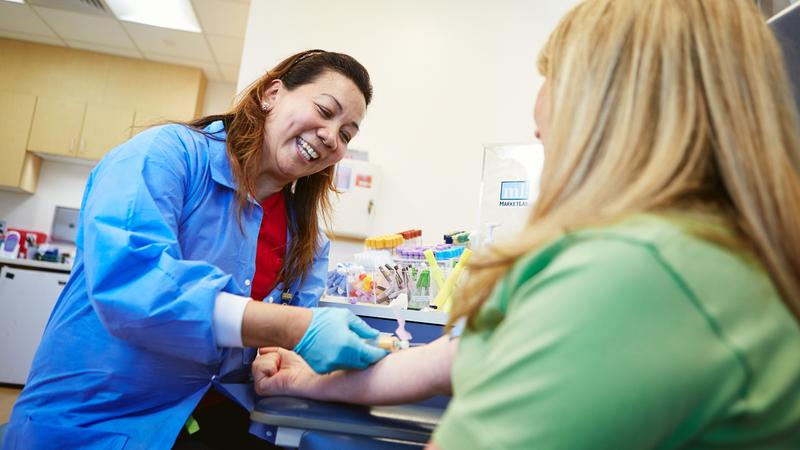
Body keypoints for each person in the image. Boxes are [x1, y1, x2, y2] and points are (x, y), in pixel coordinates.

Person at [252, 1, 800, 448]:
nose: (538, 116)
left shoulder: (636, 273)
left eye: (552, 77)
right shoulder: (694, 250)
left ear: (611, 103)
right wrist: (313, 381)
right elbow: (461, 356)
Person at [3, 50, 388, 450]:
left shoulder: (307, 238)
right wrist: (295, 326)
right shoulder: (165, 155)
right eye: (325, 110)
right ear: (272, 93)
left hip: (213, 418)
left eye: (346, 133)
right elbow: (134, 285)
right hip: (97, 420)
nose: (331, 136)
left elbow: (275, 345)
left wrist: (275, 357)